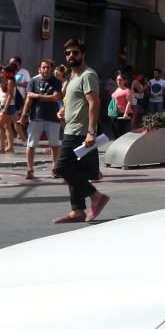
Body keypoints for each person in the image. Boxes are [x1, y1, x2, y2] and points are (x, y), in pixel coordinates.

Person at [53, 39, 110, 224]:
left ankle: (95, 196)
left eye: (75, 52)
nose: (71, 56)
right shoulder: (73, 77)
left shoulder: (88, 75)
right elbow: (76, 101)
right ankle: (77, 210)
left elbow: (94, 103)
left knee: (61, 167)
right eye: (68, 53)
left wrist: (91, 131)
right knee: (72, 169)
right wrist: (64, 110)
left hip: (80, 131)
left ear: (83, 54)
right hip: (70, 127)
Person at [19, 59, 63, 179]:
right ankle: (30, 169)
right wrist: (23, 115)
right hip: (35, 117)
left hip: (52, 117)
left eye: (48, 67)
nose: (46, 69)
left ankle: (55, 169)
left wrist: (37, 96)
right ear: (39, 69)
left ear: (52, 69)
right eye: (43, 67)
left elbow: (55, 98)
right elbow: (29, 97)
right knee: (31, 144)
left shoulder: (57, 82)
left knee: (54, 145)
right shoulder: (33, 81)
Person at [0, 65, 19, 154]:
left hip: (8, 107)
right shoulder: (5, 81)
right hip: (5, 106)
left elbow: (10, 96)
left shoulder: (10, 81)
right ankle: (10, 147)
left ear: (7, 72)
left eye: (3, 71)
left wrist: (5, 109)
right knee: (7, 127)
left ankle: (1, 147)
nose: (1, 72)